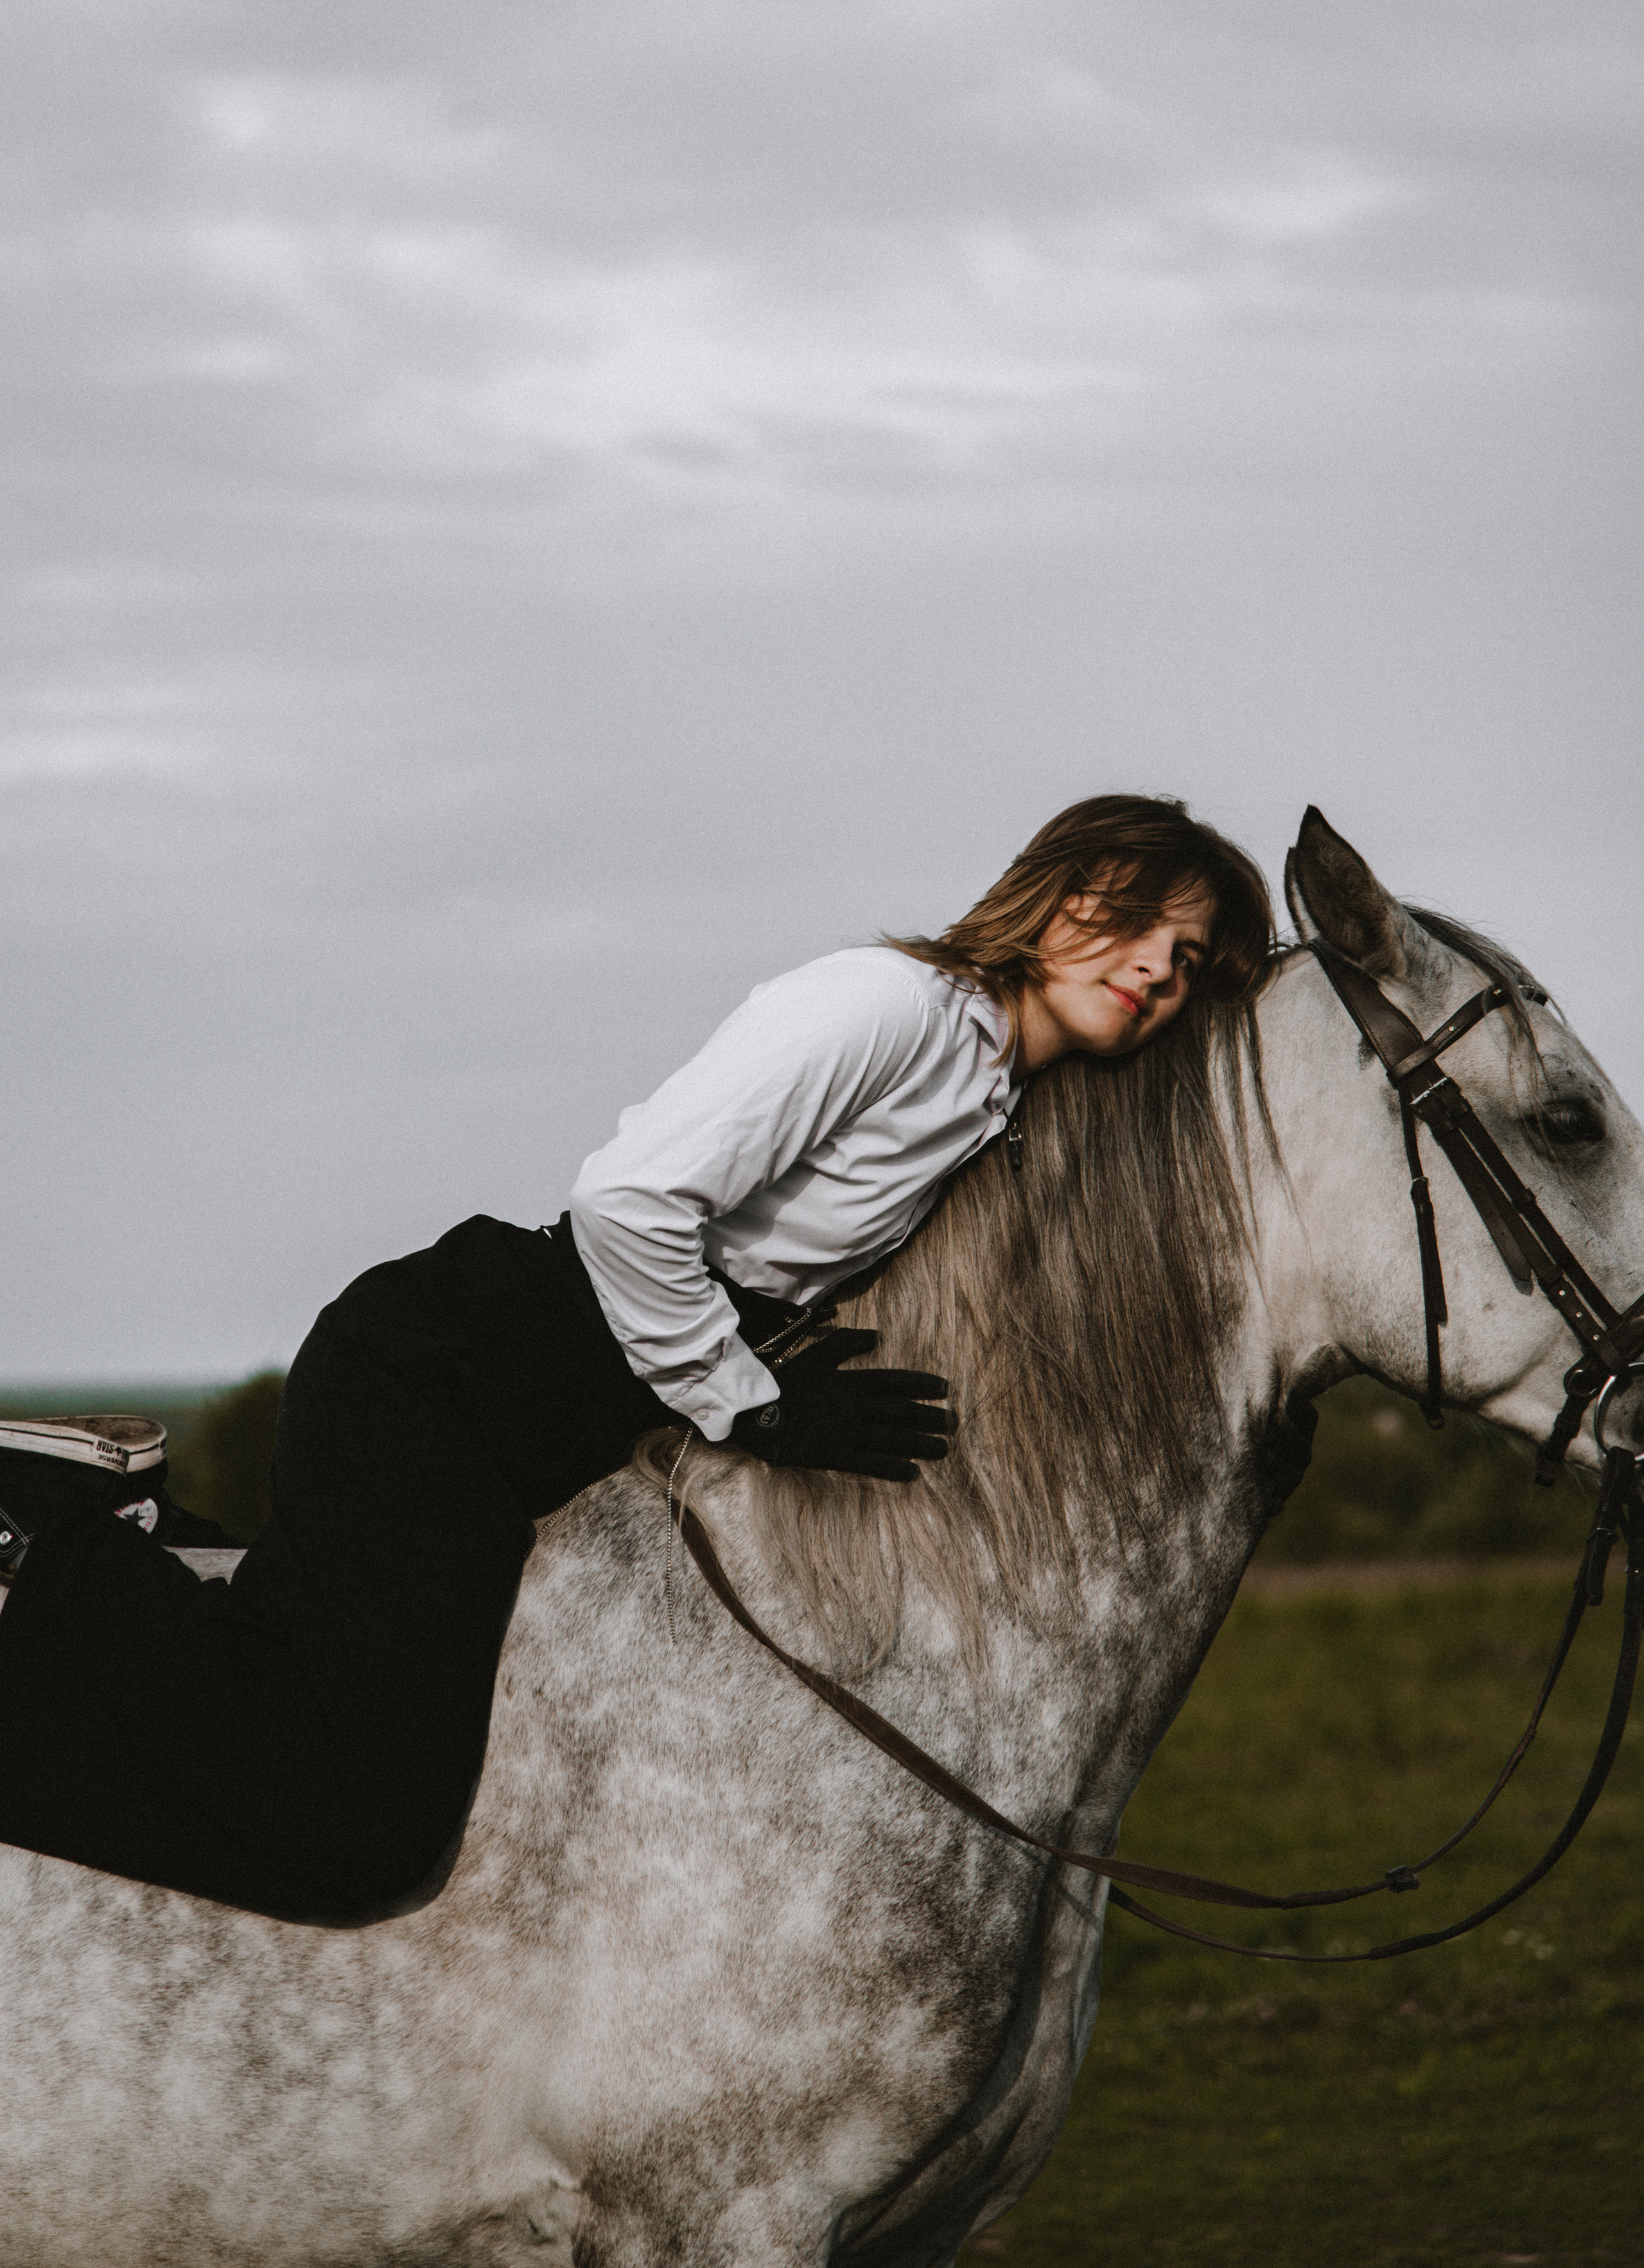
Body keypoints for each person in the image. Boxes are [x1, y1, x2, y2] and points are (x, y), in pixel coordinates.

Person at [0, 795, 1272, 1924]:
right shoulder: (887, 1008)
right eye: (1140, 914)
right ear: (1053, 892)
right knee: (354, 1825)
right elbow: (629, 1201)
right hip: (448, 1378)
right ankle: (47, 1537)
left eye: (1192, 954)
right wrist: (752, 1406)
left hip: (545, 1411)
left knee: (319, 1679)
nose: (1161, 961)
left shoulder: (992, 1095)